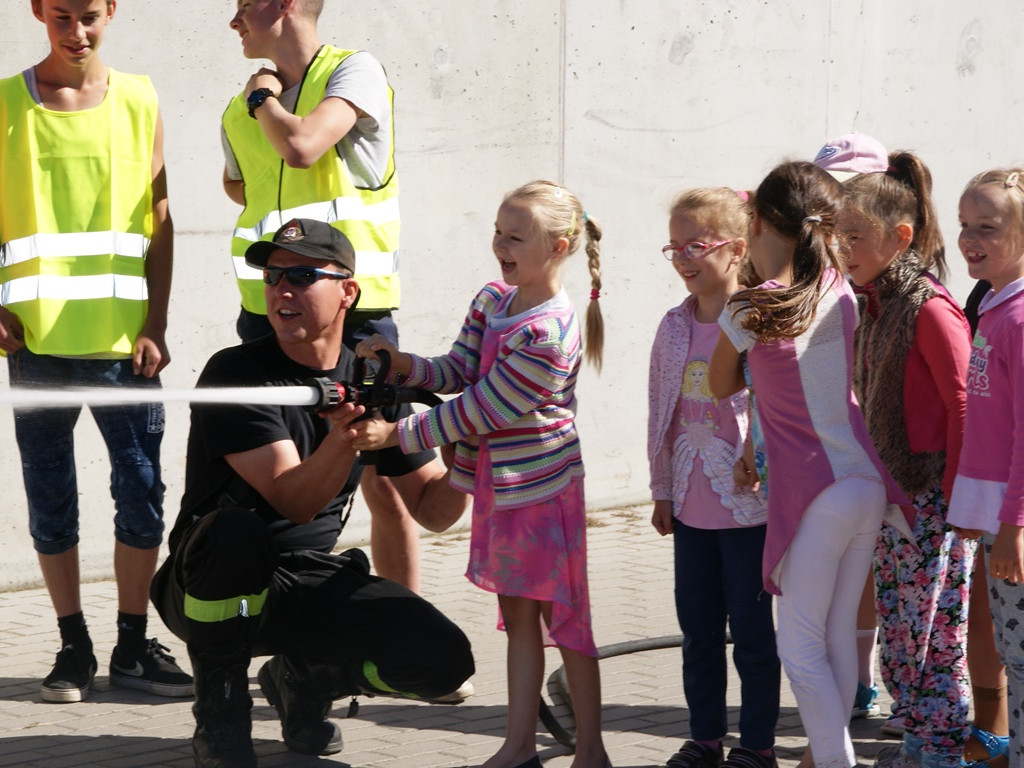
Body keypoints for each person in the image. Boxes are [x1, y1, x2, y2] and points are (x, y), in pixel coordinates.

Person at [151, 218, 475, 768]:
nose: (281, 290)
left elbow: (434, 512)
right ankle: (221, 715)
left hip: (302, 579)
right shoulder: (237, 373)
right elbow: (291, 499)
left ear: (348, 291)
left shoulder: (371, 376)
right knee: (236, 532)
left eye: (302, 275)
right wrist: (346, 438)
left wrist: (466, 447)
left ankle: (304, 678)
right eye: (273, 277)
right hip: (205, 582)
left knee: (442, 659)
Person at [352, 180, 610, 768]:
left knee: (566, 619)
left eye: (516, 236)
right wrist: (404, 366)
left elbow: (482, 407)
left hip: (545, 493)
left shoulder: (549, 332)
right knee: (520, 613)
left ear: (560, 246)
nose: (500, 243)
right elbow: (458, 368)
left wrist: (395, 435)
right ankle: (518, 746)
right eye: (498, 231)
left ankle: (591, 753)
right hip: (505, 485)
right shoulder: (495, 299)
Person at [221, 0, 446, 593]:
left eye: (244, 5)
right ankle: (279, 622)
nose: (233, 20)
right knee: (279, 481)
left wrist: (263, 96)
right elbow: (237, 184)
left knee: (386, 479)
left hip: (357, 316)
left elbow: (302, 148)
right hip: (266, 322)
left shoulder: (352, 71)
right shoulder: (239, 110)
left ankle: (404, 628)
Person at [0, 0, 190, 703]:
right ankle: (72, 647)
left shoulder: (140, 97)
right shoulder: (4, 104)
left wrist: (158, 322)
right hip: (37, 341)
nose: (75, 32)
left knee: (140, 495)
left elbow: (160, 217)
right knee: (52, 502)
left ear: (111, 10)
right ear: (36, 12)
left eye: (88, 15)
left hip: (125, 346)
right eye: (59, 16)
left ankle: (134, 648)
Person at [709, 161, 907, 768]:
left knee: (799, 648)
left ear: (761, 220)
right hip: (864, 484)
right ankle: (830, 755)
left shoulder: (751, 307)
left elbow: (719, 384)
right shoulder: (841, 292)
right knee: (837, 635)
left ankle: (833, 761)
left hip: (817, 493)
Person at [838, 151, 977, 768]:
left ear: (900, 236)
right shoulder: (874, 302)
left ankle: (940, 743)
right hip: (896, 496)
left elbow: (962, 401)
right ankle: (921, 734)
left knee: (931, 629)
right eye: (837, 237)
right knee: (901, 626)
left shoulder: (928, 306)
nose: (843, 250)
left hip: (932, 497)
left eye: (855, 237)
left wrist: (958, 502)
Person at [648, 188, 779, 768]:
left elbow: (777, 408)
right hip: (690, 504)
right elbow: (660, 413)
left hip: (748, 508)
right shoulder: (673, 327)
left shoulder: (760, 319)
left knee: (752, 634)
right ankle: (705, 738)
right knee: (697, 631)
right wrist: (661, 491)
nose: (683, 258)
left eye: (696, 244)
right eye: (674, 246)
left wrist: (763, 458)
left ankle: (757, 745)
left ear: (736, 249)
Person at [813, 131, 892, 726]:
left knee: (893, 567)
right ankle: (858, 680)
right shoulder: (819, 270)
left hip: (887, 447)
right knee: (853, 566)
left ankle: (919, 688)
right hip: (839, 444)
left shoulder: (892, 277)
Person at [948, 169, 1024, 768]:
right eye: (965, 226)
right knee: (1009, 644)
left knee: (1019, 654)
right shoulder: (993, 306)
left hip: (1014, 527)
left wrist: (1013, 526)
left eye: (988, 228)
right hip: (997, 518)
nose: (970, 239)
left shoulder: (1019, 320)